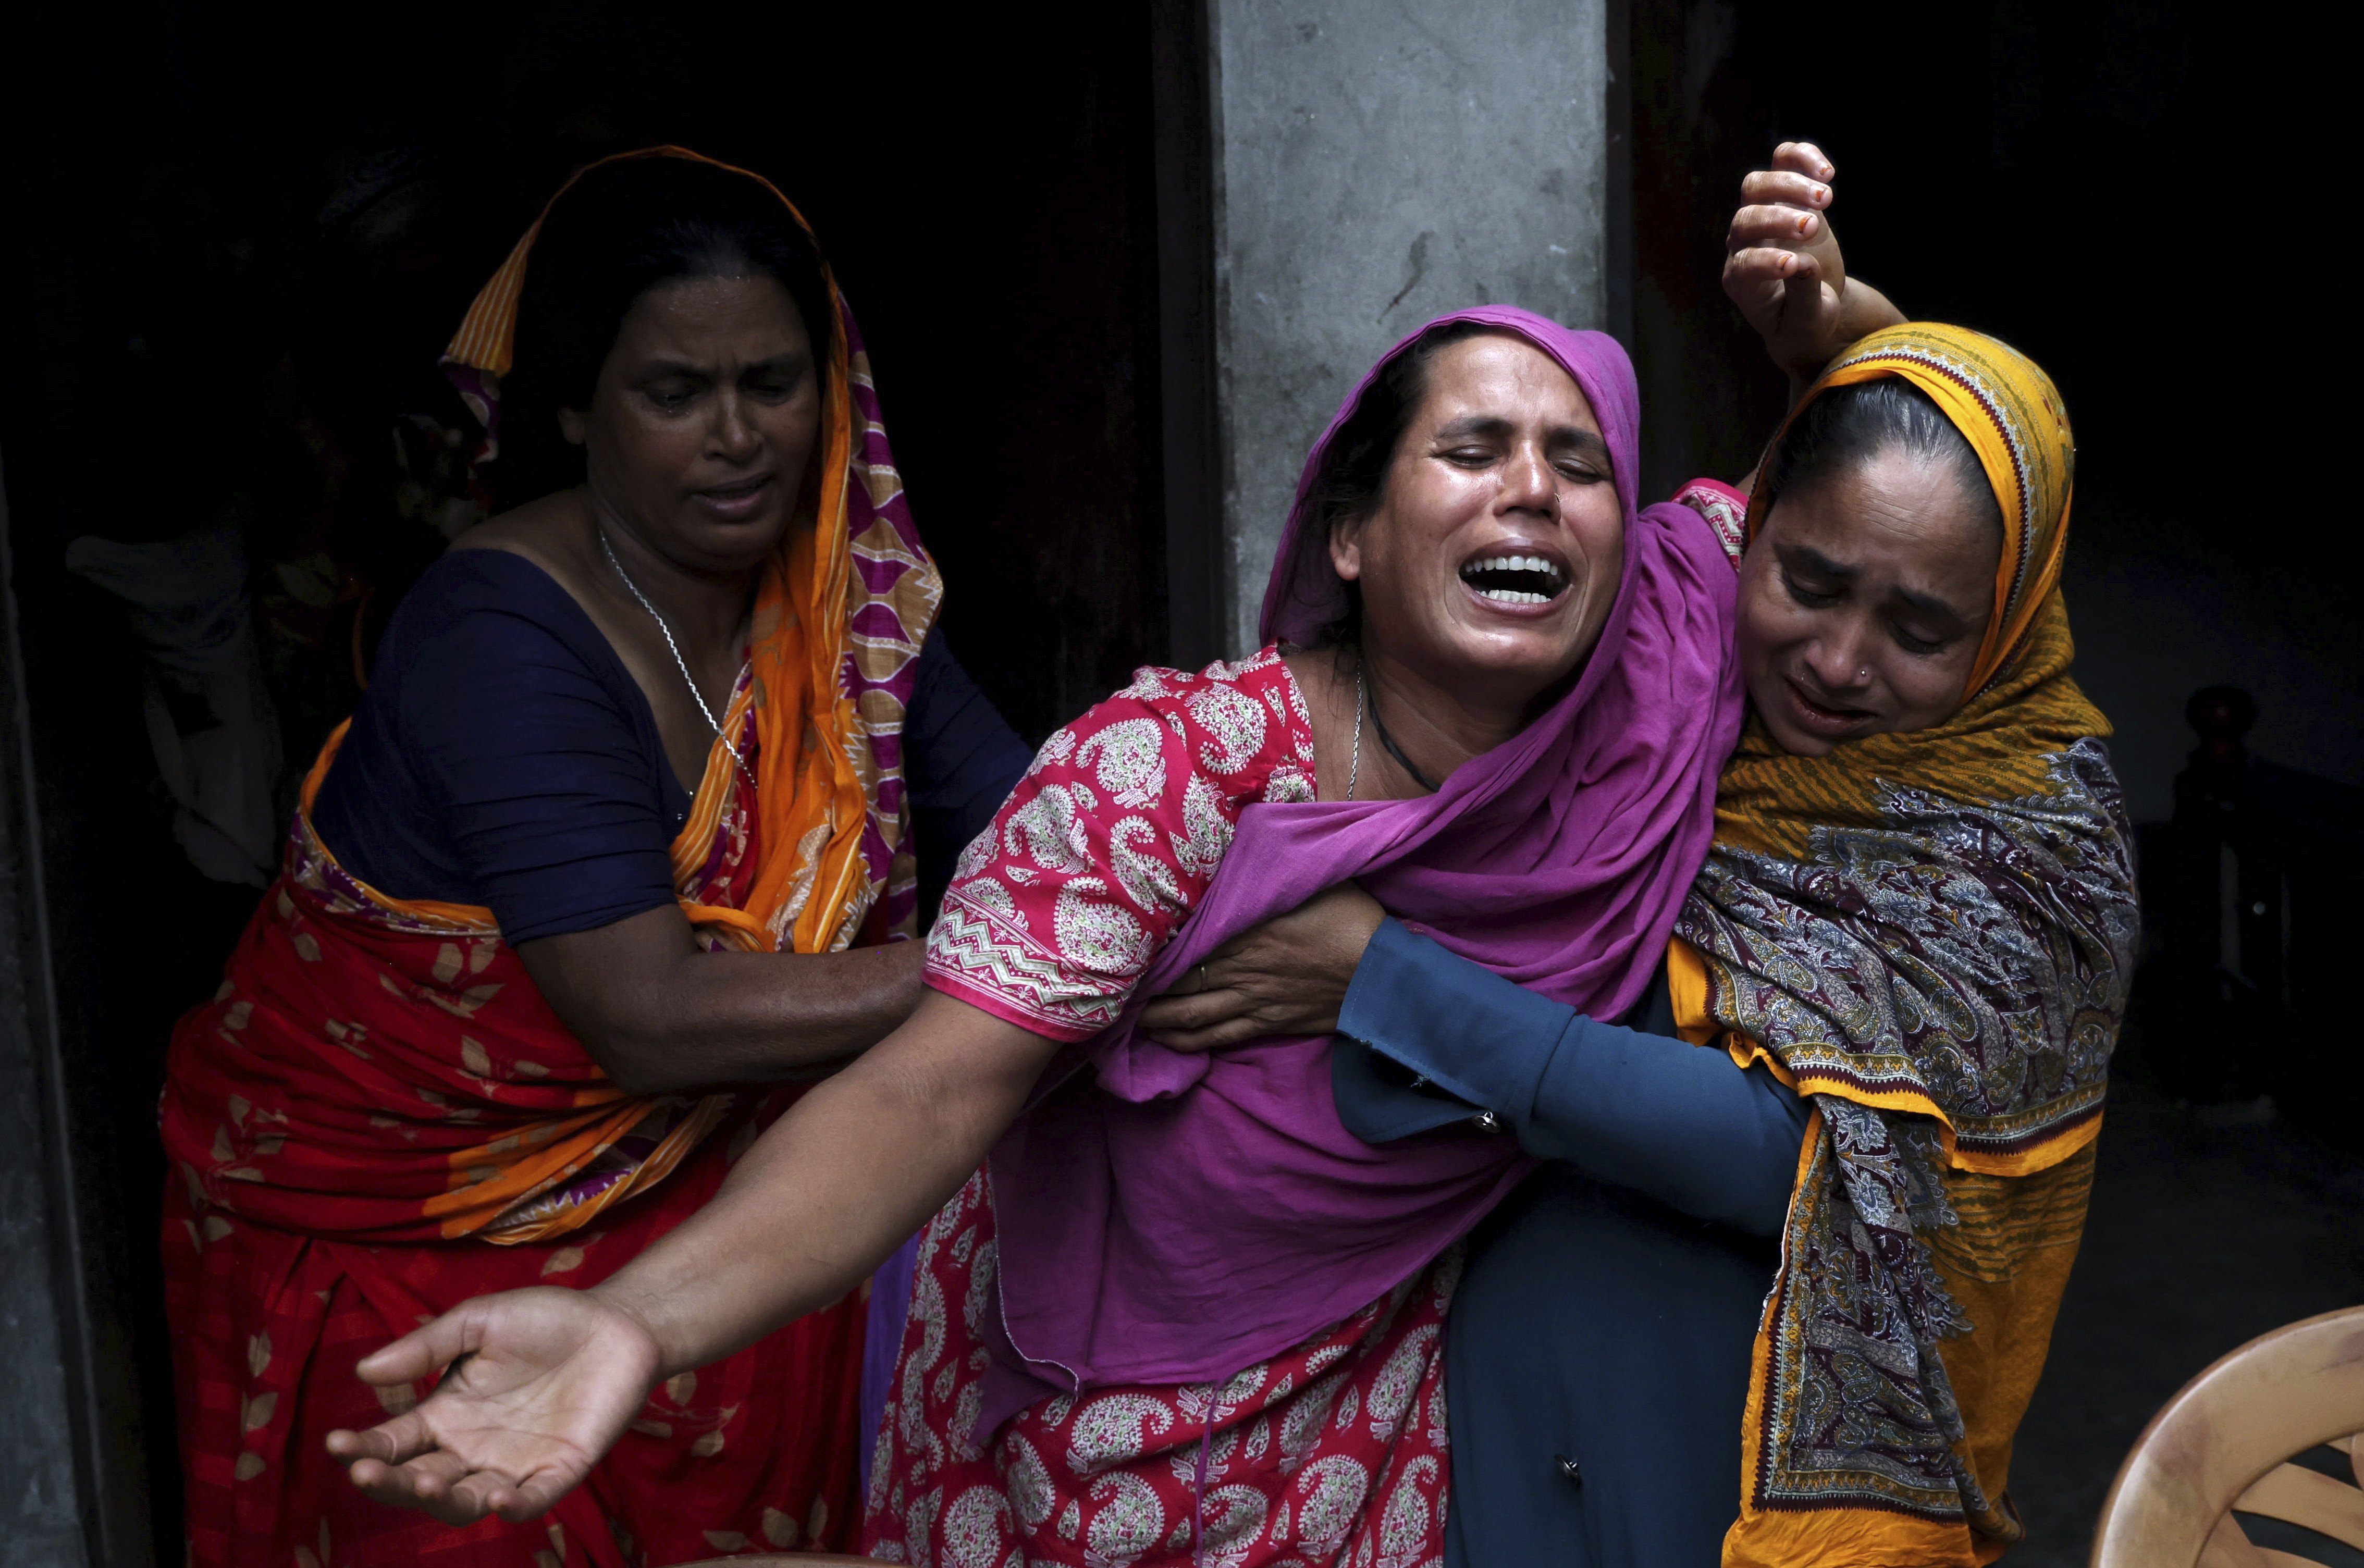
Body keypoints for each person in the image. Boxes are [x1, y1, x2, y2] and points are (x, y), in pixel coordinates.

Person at [325, 302, 1753, 1562]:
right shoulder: (1182, 772)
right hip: (1115, 1433)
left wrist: (1825, 312)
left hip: (1411, 1435)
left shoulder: (1654, 717)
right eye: (1473, 450)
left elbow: (1896, 482)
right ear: (1351, 531)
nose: (1532, 491)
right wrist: (639, 1321)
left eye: (1580, 465)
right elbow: (930, 1082)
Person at [1146, 156, 2134, 1567]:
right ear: (1755, 521)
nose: (1841, 661)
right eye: (1807, 581)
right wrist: (1837, 341)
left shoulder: (2032, 849)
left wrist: (1389, 980)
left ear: (2010, 622)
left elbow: (1796, 1156)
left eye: (1921, 631)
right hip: (1474, 1458)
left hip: (1732, 1492)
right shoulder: (1679, 673)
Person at [158, 147, 1031, 1567]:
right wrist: (1039, 967)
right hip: (417, 1254)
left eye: (773, 383)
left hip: (708, 1243)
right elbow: (650, 1015)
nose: (737, 434)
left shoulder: (842, 619)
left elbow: (1045, 830)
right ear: (575, 406)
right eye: (674, 393)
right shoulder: (500, 631)